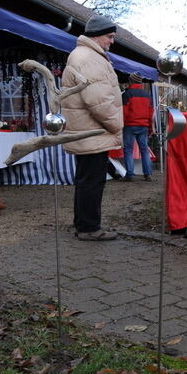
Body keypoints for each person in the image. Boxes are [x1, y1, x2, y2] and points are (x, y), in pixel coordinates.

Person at [61, 14, 123, 241]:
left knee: (86, 179)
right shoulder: (89, 58)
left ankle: (83, 224)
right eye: (110, 36)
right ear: (97, 36)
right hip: (93, 130)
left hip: (86, 130)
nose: (112, 41)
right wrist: (117, 125)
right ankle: (89, 228)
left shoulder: (85, 56)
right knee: (92, 181)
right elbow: (98, 101)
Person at [121, 72, 155, 182]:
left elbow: (124, 112)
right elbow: (151, 113)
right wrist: (150, 128)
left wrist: (121, 125)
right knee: (144, 150)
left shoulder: (127, 94)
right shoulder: (147, 95)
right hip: (143, 126)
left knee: (128, 150)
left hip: (130, 126)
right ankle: (148, 174)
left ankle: (130, 174)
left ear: (131, 81)